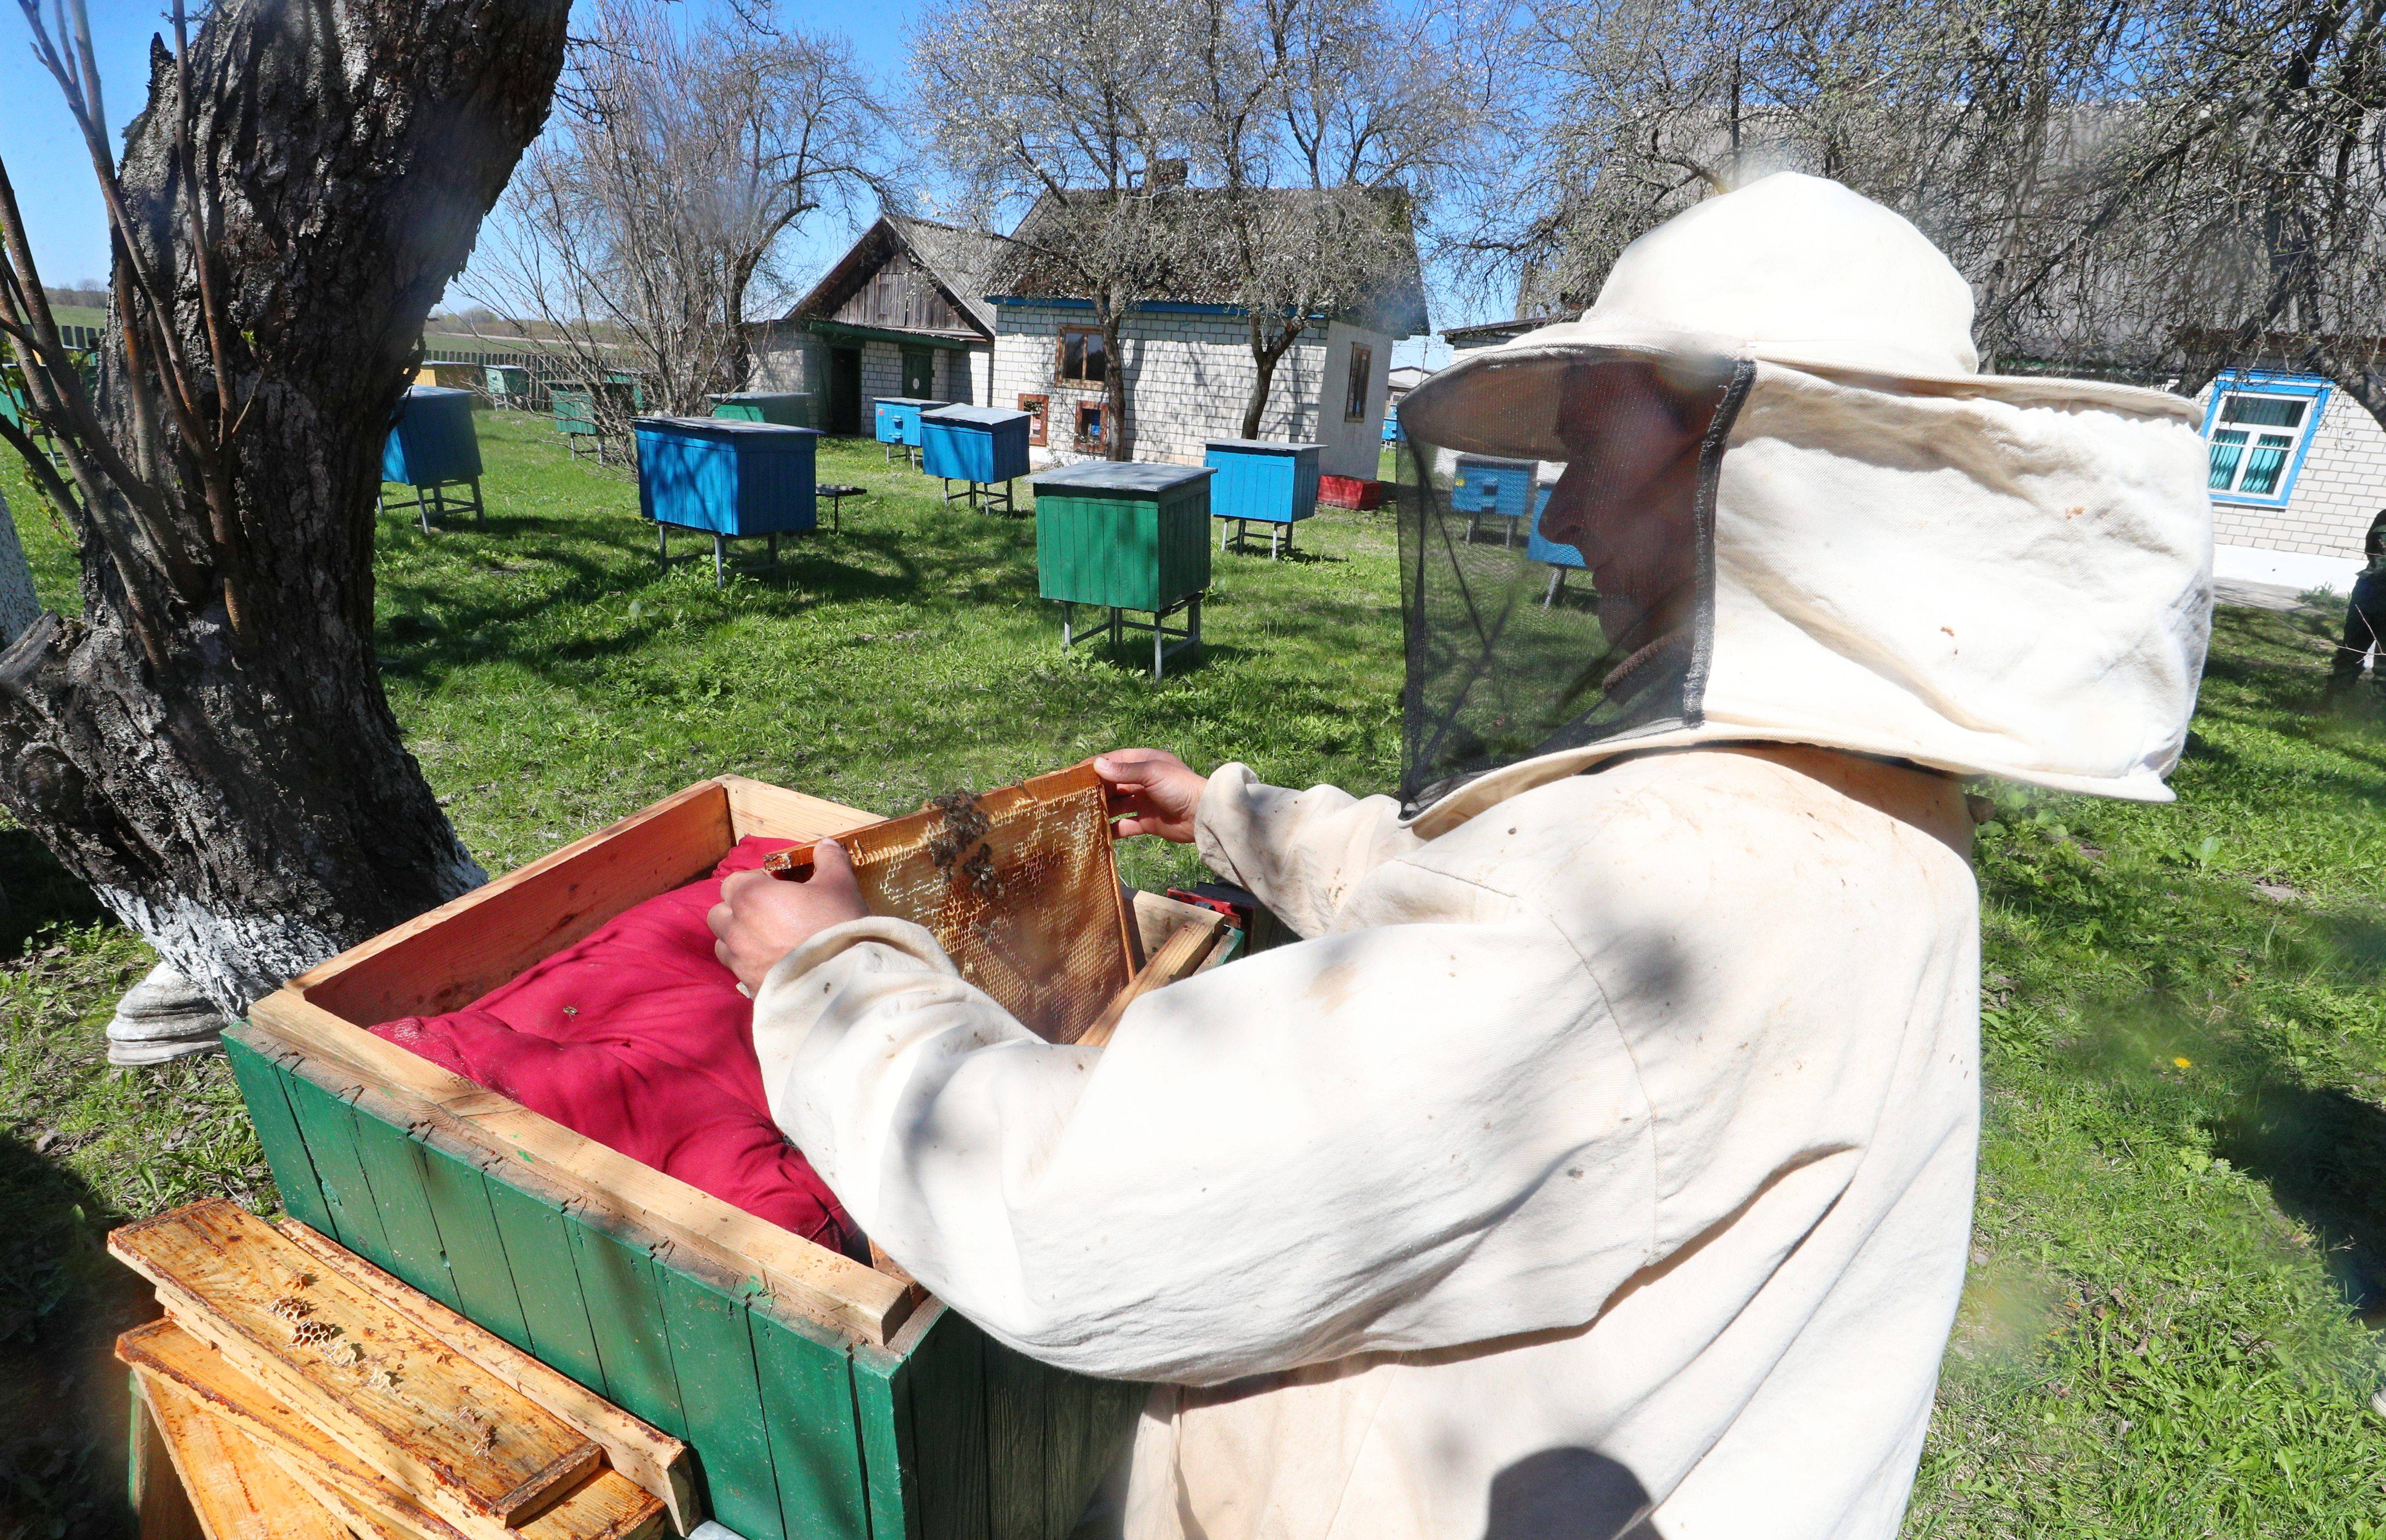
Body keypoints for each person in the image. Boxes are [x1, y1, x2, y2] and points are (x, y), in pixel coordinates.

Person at [710, 174, 2210, 1540]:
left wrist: (832, 977)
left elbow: (1072, 1207)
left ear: (1757, 477)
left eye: (1590, 452)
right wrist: (1234, 812)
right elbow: (1493, 909)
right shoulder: (1874, 822)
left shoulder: (1685, 887)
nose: (1556, 511)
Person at [2327, 508, 2386, 704]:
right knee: (2352, 649)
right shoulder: (2384, 516)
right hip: (2369, 592)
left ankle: (2372, 715)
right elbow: (2371, 550)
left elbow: (2371, 548)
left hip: (2369, 589)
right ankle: (2335, 703)